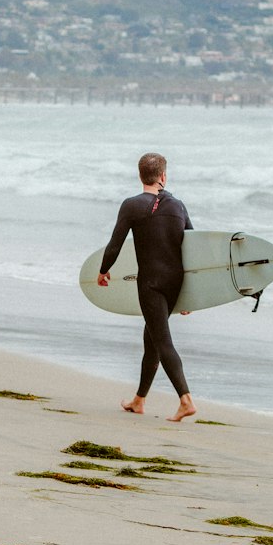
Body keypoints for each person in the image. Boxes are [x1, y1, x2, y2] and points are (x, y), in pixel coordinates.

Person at [97, 152, 196, 422]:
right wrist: (192, 294)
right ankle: (139, 400)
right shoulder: (178, 206)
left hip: (150, 283)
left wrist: (104, 270)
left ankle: (185, 400)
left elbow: (115, 244)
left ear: (140, 175)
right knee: (152, 338)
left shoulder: (131, 205)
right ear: (163, 176)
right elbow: (193, 248)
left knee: (162, 341)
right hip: (175, 283)